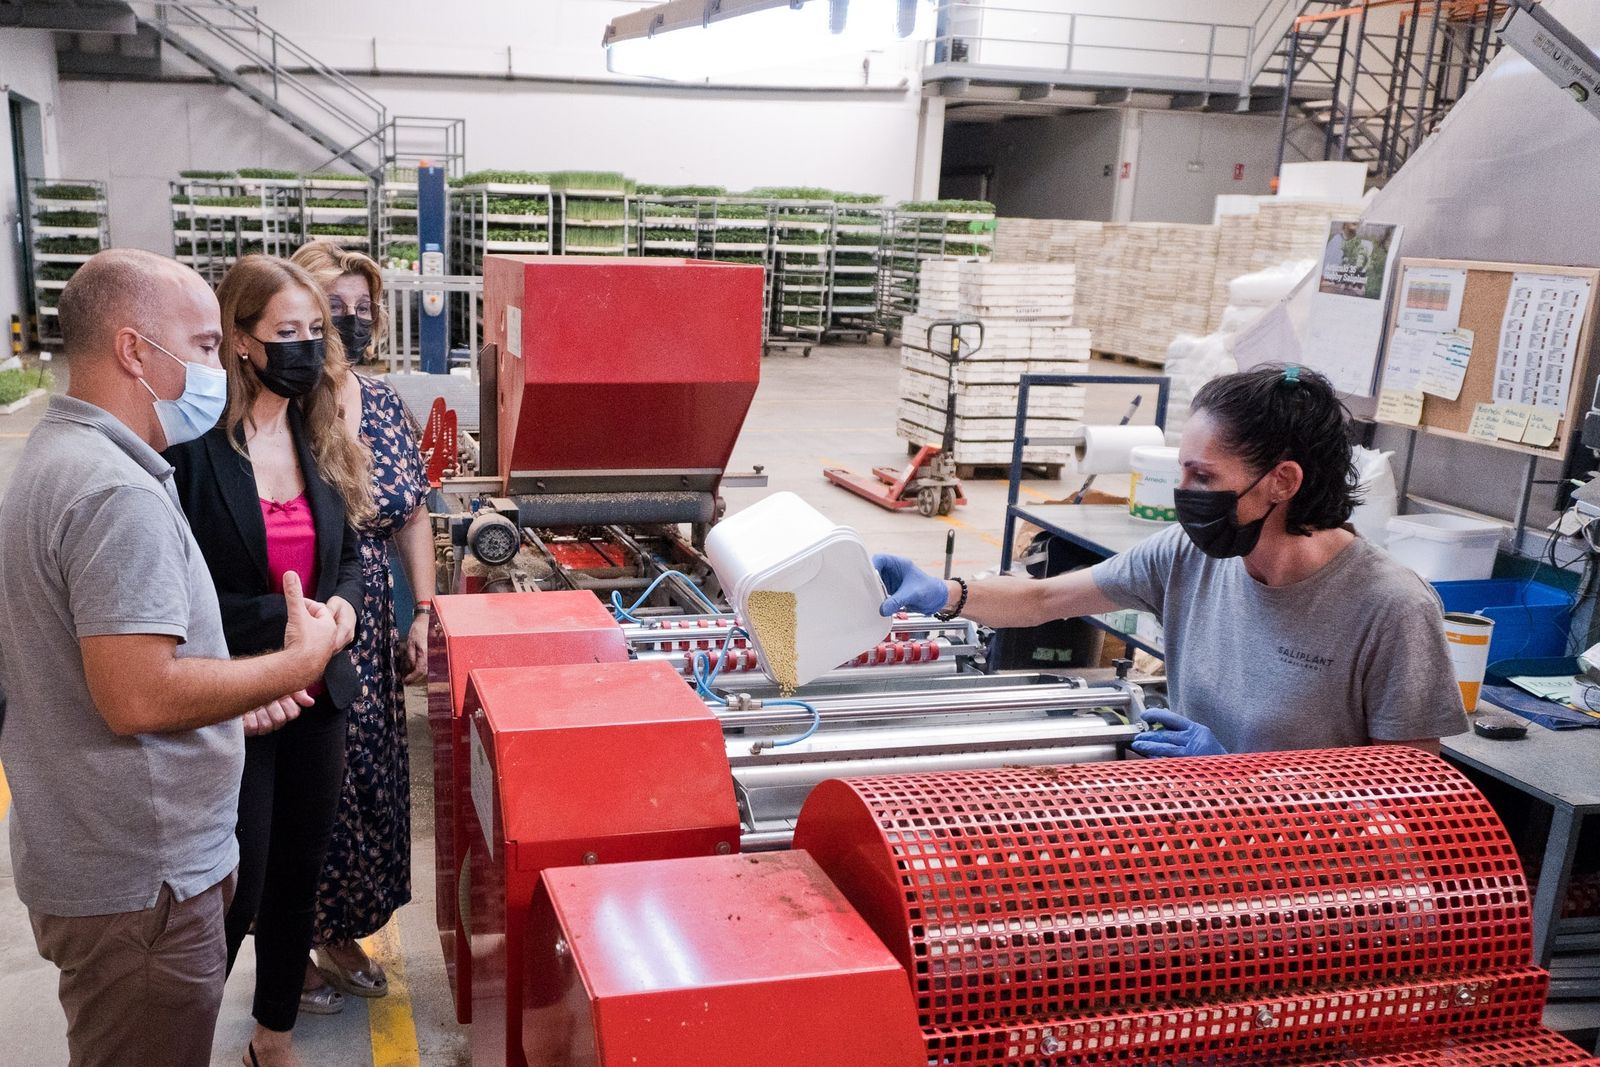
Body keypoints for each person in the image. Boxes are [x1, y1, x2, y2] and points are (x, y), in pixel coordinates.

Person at [0, 249, 344, 1067]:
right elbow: (139, 696)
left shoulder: (57, 459)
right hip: (142, 883)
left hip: (96, 858)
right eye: (199, 347)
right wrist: (294, 664)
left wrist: (231, 691)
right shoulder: (116, 492)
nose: (216, 366)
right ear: (131, 351)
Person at [876, 365, 1468, 758]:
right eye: (1182, 469)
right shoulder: (1192, 556)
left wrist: (1241, 774)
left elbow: (1407, 794)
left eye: (1202, 476)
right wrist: (947, 595)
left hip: (1311, 880)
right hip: (1199, 828)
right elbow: (1047, 598)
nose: (1181, 491)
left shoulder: (1390, 609)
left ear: (1281, 482)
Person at [165, 254, 374, 1067]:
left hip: (317, 692)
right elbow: (180, 589)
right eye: (286, 332)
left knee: (296, 873)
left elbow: (348, 554)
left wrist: (344, 612)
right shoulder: (195, 450)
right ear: (242, 340)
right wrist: (285, 628)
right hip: (237, 696)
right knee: (233, 887)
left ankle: (272, 1035)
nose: (307, 347)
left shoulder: (318, 428)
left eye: (315, 332)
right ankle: (178, 1035)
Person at [290, 240, 431, 1009]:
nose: (352, 322)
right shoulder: (280, 405)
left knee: (366, 781)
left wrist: (423, 611)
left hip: (373, 615)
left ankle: (338, 928)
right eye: (334, 309)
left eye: (361, 309)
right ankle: (298, 948)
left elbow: (411, 515)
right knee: (313, 783)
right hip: (304, 608)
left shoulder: (380, 403)